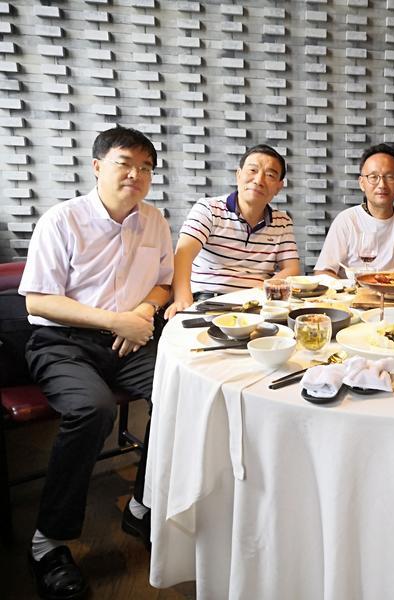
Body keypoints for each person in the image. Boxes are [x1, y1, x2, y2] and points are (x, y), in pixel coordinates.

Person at [18, 126, 174, 599]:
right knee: (93, 408)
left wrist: (142, 313)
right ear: (97, 166)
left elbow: (164, 283)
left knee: (182, 394)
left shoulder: (154, 220)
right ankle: (47, 542)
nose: (135, 174)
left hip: (129, 340)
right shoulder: (62, 220)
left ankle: (142, 507)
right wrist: (115, 320)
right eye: (125, 163)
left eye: (145, 167)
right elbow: (38, 300)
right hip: (63, 341)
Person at [164, 144, 300, 318]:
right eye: (252, 170)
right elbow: (183, 254)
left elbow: (292, 268)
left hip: (256, 306)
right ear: (238, 175)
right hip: (208, 301)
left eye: (270, 175)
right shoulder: (209, 209)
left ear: (278, 187)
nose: (259, 180)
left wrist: (262, 289)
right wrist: (182, 298)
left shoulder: (282, 222)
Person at [313, 143, 394, 278]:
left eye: (390, 177)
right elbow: (323, 271)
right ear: (362, 183)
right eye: (373, 177)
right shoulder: (347, 220)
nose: (382, 185)